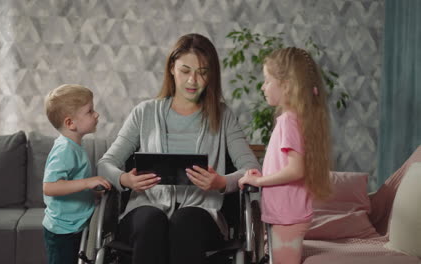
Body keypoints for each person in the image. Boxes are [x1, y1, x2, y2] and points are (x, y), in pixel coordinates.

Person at [97, 33, 260, 264]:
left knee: (184, 222)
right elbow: (104, 164)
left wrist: (221, 183)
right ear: (172, 68)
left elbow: (251, 168)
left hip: (202, 215)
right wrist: (125, 180)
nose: (193, 80)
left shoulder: (223, 116)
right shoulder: (145, 113)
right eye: (185, 71)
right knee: (153, 221)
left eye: (202, 72)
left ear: (211, 75)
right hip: (145, 211)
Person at [238, 47, 332, 264]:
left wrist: (260, 180)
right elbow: (286, 165)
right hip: (286, 212)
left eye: (267, 81)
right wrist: (261, 174)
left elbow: (296, 169)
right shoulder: (295, 119)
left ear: (287, 86)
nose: (263, 87)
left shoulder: (289, 121)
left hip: (287, 215)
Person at [42, 84, 112, 264]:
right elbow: (50, 187)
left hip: (76, 225)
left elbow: (73, 183)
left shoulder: (75, 146)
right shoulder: (64, 149)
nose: (96, 114)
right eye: (90, 111)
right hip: (62, 231)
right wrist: (87, 183)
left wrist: (92, 192)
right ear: (70, 123)